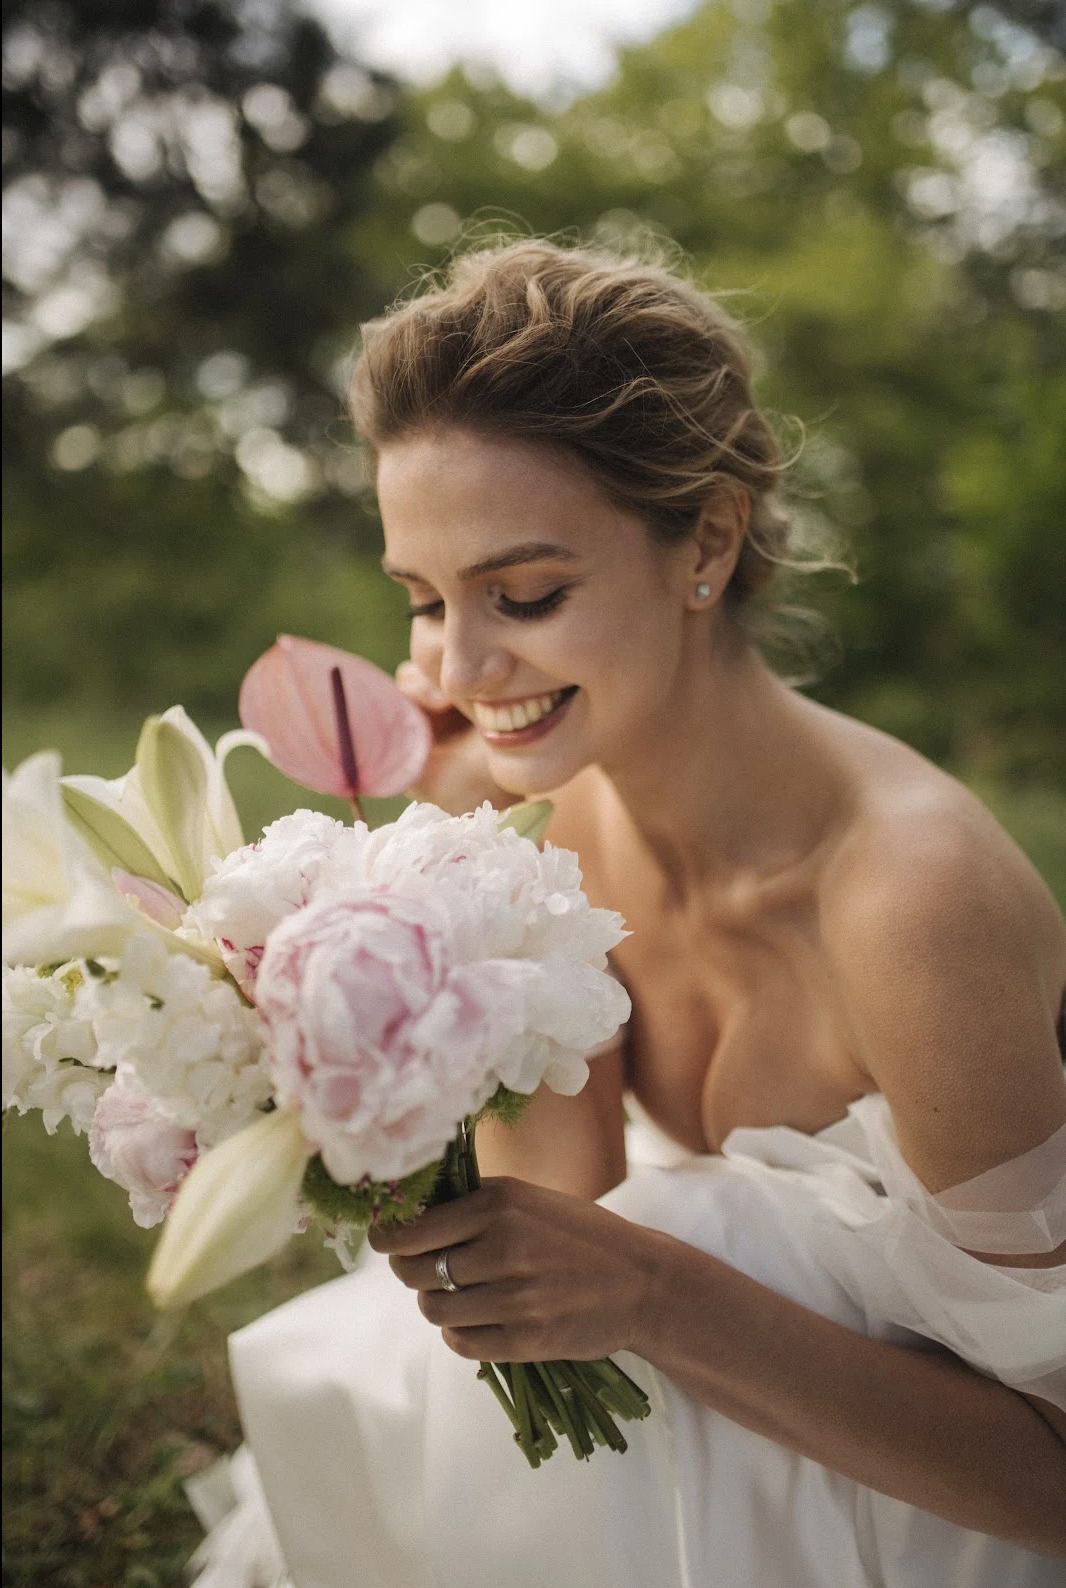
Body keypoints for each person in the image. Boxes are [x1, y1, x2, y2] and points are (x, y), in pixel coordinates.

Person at [189, 240, 1066, 1588]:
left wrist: (655, 1291)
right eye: (422, 601)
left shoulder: (908, 899)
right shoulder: (528, 823)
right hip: (740, 1432)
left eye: (526, 595)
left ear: (705, 541)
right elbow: (561, 1214)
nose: (461, 668)